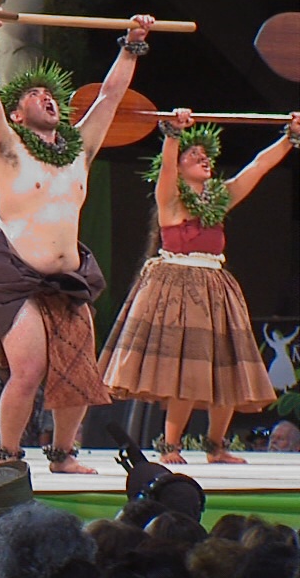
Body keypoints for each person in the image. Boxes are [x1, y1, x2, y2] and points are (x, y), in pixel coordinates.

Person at [0, 6, 155, 473]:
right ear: (17, 111)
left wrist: (131, 43)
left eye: (51, 95)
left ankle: (62, 454)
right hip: (15, 280)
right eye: (35, 94)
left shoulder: (79, 153)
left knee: (78, 374)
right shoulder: (7, 149)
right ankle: (9, 458)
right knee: (28, 372)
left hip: (67, 279)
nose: (47, 99)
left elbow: (110, 97)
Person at [99, 113, 297, 464]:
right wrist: (174, 133)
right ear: (178, 165)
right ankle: (170, 446)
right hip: (177, 288)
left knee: (228, 368)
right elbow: (166, 172)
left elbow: (257, 167)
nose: (205, 159)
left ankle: (215, 446)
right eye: (195, 156)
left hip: (215, 288)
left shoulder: (219, 198)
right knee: (187, 372)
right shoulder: (170, 199)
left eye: (208, 156)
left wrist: (290, 137)